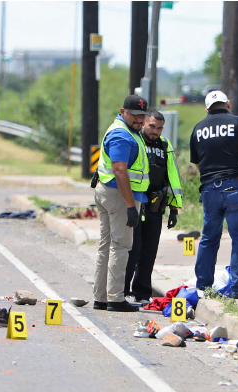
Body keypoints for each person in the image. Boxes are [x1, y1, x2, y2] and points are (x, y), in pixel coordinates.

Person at [189, 91, 238, 299]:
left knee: (209, 239)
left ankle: (203, 287)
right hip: (235, 186)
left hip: (208, 188)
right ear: (227, 104)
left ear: (206, 109)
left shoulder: (198, 129)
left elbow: (199, 165)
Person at [92, 95, 150, 312]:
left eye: (142, 116)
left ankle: (102, 297)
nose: (139, 119)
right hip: (119, 195)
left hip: (109, 192)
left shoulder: (126, 130)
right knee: (121, 246)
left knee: (106, 245)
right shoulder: (122, 135)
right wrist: (129, 206)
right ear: (123, 111)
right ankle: (115, 298)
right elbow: (119, 169)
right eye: (135, 115)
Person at [124, 110, 183, 303]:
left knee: (149, 251)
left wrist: (173, 209)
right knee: (132, 249)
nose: (154, 131)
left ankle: (142, 293)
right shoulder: (135, 141)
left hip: (156, 206)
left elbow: (172, 177)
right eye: (151, 126)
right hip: (135, 201)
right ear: (143, 123)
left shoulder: (165, 146)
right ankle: (121, 291)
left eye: (159, 128)